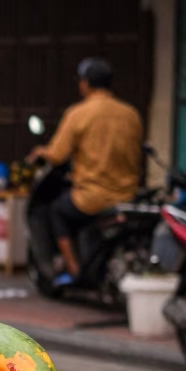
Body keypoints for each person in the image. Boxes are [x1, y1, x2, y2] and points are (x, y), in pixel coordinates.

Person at [26, 57, 143, 286]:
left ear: (85, 84)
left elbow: (58, 154)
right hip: (126, 195)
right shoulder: (131, 114)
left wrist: (40, 152)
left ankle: (74, 269)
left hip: (92, 198)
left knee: (56, 211)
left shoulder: (79, 113)